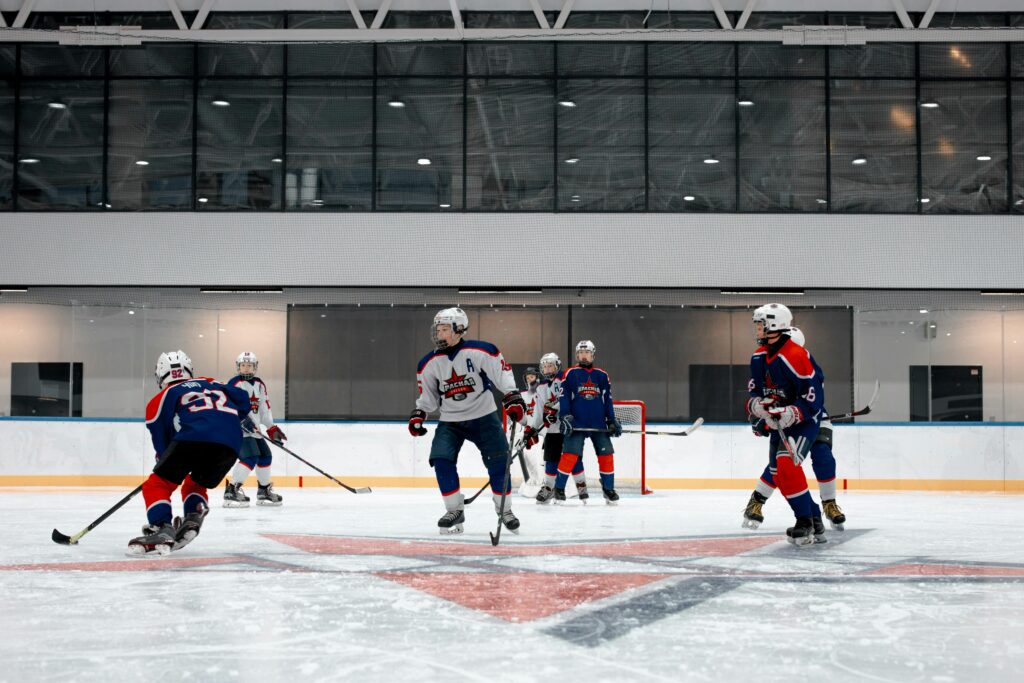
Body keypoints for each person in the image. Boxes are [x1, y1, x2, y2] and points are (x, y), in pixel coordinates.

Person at [408, 307, 527, 535]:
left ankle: (505, 510)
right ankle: (454, 510)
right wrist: (419, 413)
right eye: (438, 329)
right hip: (451, 421)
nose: (439, 334)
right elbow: (429, 399)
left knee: (499, 463)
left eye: (445, 329)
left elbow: (502, 376)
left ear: (459, 329)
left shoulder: (482, 351)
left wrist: (512, 397)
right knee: (441, 459)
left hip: (484, 417)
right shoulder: (428, 363)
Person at [129, 350, 252, 555]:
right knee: (196, 483)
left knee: (157, 484)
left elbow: (161, 439)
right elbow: (241, 397)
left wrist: (163, 460)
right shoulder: (211, 382)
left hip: (193, 438)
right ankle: (194, 517)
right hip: (231, 442)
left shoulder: (162, 397)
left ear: (160, 374)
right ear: (189, 370)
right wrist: (239, 416)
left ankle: (161, 528)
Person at [742, 326, 847, 531]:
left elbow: (812, 400)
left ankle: (829, 503)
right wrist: (763, 419)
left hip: (812, 418)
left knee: (822, 453)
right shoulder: (767, 362)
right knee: (784, 465)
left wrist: (795, 412)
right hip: (786, 420)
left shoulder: (800, 362)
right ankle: (759, 500)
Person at [745, 304, 827, 546]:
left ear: (774, 324)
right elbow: (755, 392)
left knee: (787, 465)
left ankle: (805, 521)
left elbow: (814, 398)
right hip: (778, 422)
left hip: (803, 423)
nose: (757, 328)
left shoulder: (795, 356)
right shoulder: (759, 356)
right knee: (779, 474)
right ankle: (813, 516)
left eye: (760, 323)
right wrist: (758, 408)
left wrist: (793, 412)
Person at [554, 341, 621, 505]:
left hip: (599, 424)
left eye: (587, 352)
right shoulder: (570, 373)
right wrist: (565, 416)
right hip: (576, 424)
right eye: (581, 352)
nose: (584, 355)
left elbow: (608, 399)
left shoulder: (602, 375)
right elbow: (563, 397)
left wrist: (611, 419)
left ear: (593, 354)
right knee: (569, 455)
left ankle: (608, 489)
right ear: (577, 355)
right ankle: (559, 488)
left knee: (606, 455)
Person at [223, 351, 287, 507]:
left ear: (255, 367)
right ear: (238, 367)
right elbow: (226, 405)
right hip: (238, 429)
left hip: (255, 429)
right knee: (249, 458)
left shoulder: (259, 384)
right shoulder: (234, 384)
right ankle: (231, 491)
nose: (246, 369)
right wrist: (240, 419)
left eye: (249, 366)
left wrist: (271, 428)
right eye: (243, 365)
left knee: (265, 456)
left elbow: (264, 408)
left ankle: (263, 491)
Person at [531, 353, 588, 503]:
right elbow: (539, 410)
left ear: (557, 366)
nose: (547, 368)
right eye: (545, 366)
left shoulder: (565, 379)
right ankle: (549, 488)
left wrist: (554, 410)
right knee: (551, 458)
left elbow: (571, 399)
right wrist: (532, 428)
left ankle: (581, 486)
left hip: (568, 427)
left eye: (550, 365)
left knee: (574, 457)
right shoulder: (541, 387)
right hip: (552, 430)